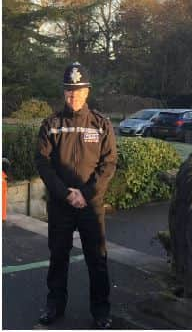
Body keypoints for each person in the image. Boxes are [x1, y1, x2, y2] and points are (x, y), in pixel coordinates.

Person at [35, 62, 117, 328]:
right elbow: (43, 163)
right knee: (58, 257)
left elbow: (109, 164)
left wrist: (86, 194)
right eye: (69, 91)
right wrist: (65, 194)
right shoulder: (51, 125)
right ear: (64, 93)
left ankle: (101, 312)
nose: (74, 97)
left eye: (78, 91)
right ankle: (55, 307)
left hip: (91, 205)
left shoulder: (102, 125)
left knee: (97, 259)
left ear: (87, 92)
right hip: (61, 204)